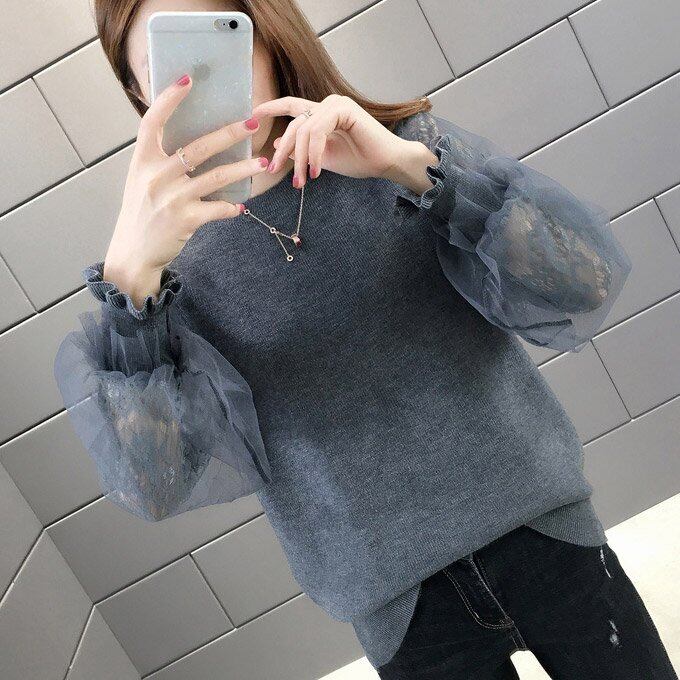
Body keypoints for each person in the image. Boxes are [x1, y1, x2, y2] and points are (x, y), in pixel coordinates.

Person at [53, 1, 677, 678]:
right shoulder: (162, 274)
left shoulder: (399, 149)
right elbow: (155, 483)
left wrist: (415, 172)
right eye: (166, 64)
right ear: (138, 92)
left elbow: (582, 283)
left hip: (546, 532)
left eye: (220, 44)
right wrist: (129, 284)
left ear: (269, 38)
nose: (197, 80)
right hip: (399, 608)